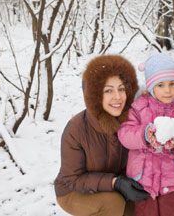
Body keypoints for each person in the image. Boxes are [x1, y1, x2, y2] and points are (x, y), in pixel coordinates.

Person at [54, 55, 150, 216]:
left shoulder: (131, 120)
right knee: (113, 203)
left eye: (121, 89)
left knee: (141, 207)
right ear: (95, 95)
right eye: (108, 90)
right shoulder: (76, 129)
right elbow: (73, 179)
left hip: (114, 186)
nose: (117, 97)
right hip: (72, 191)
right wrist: (115, 183)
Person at [118, 53, 174, 216]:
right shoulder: (139, 108)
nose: (168, 90)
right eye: (161, 85)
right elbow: (125, 134)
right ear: (151, 87)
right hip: (143, 180)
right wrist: (144, 135)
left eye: (172, 84)